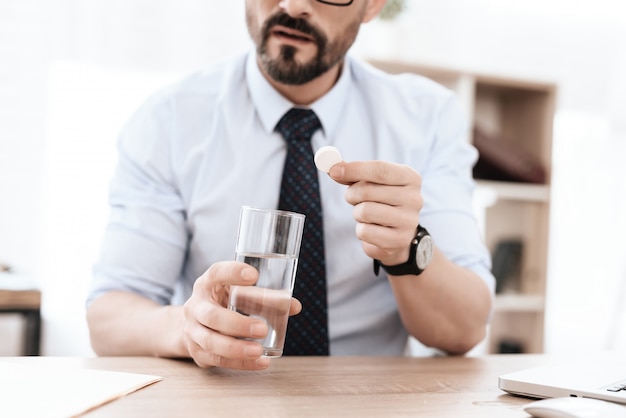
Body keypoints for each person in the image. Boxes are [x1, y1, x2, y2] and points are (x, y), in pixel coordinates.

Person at [86, 0, 495, 370]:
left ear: (372, 6)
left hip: (366, 400)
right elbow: (108, 320)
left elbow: (465, 329)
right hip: (221, 395)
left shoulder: (426, 119)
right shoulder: (170, 120)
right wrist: (185, 326)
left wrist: (406, 249)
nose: (295, 5)